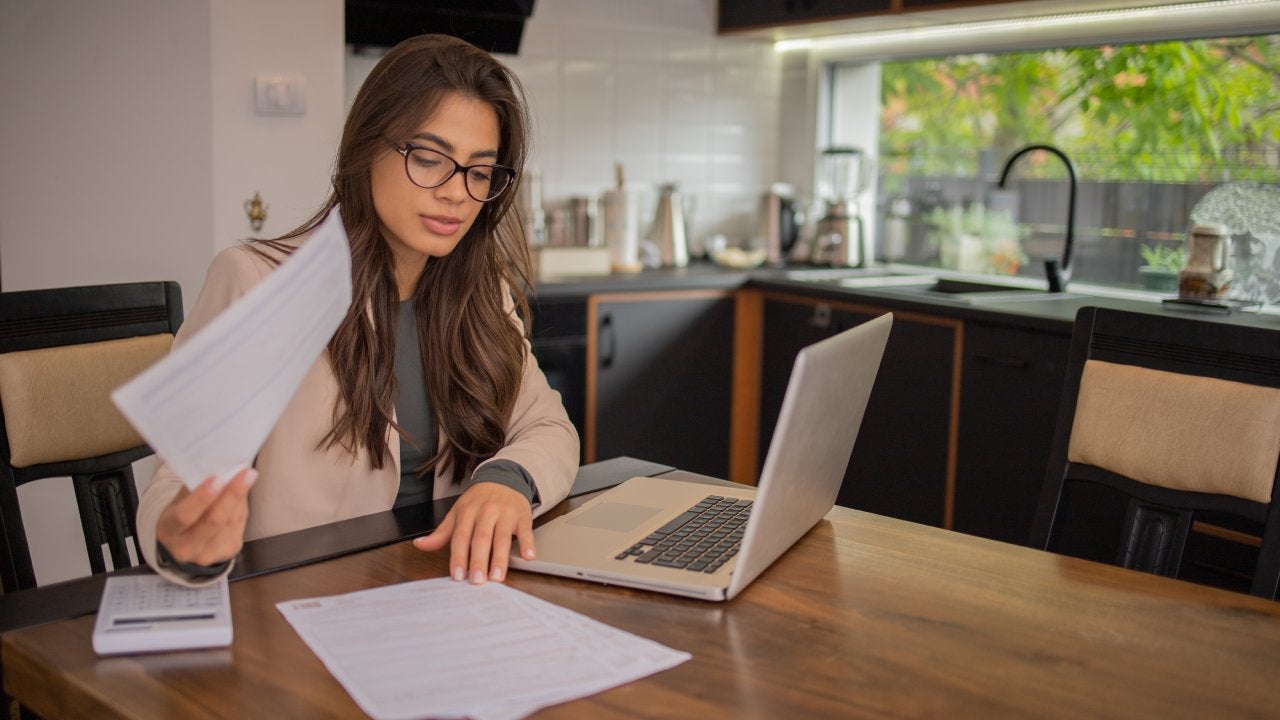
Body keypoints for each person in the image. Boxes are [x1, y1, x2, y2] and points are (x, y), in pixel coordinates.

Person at [137, 34, 580, 587]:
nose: (456, 193)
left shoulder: (479, 290)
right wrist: (184, 542)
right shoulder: (257, 283)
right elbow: (176, 485)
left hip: (445, 592)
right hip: (299, 608)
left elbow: (549, 426)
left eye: (480, 171)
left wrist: (507, 478)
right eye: (428, 158)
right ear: (366, 148)